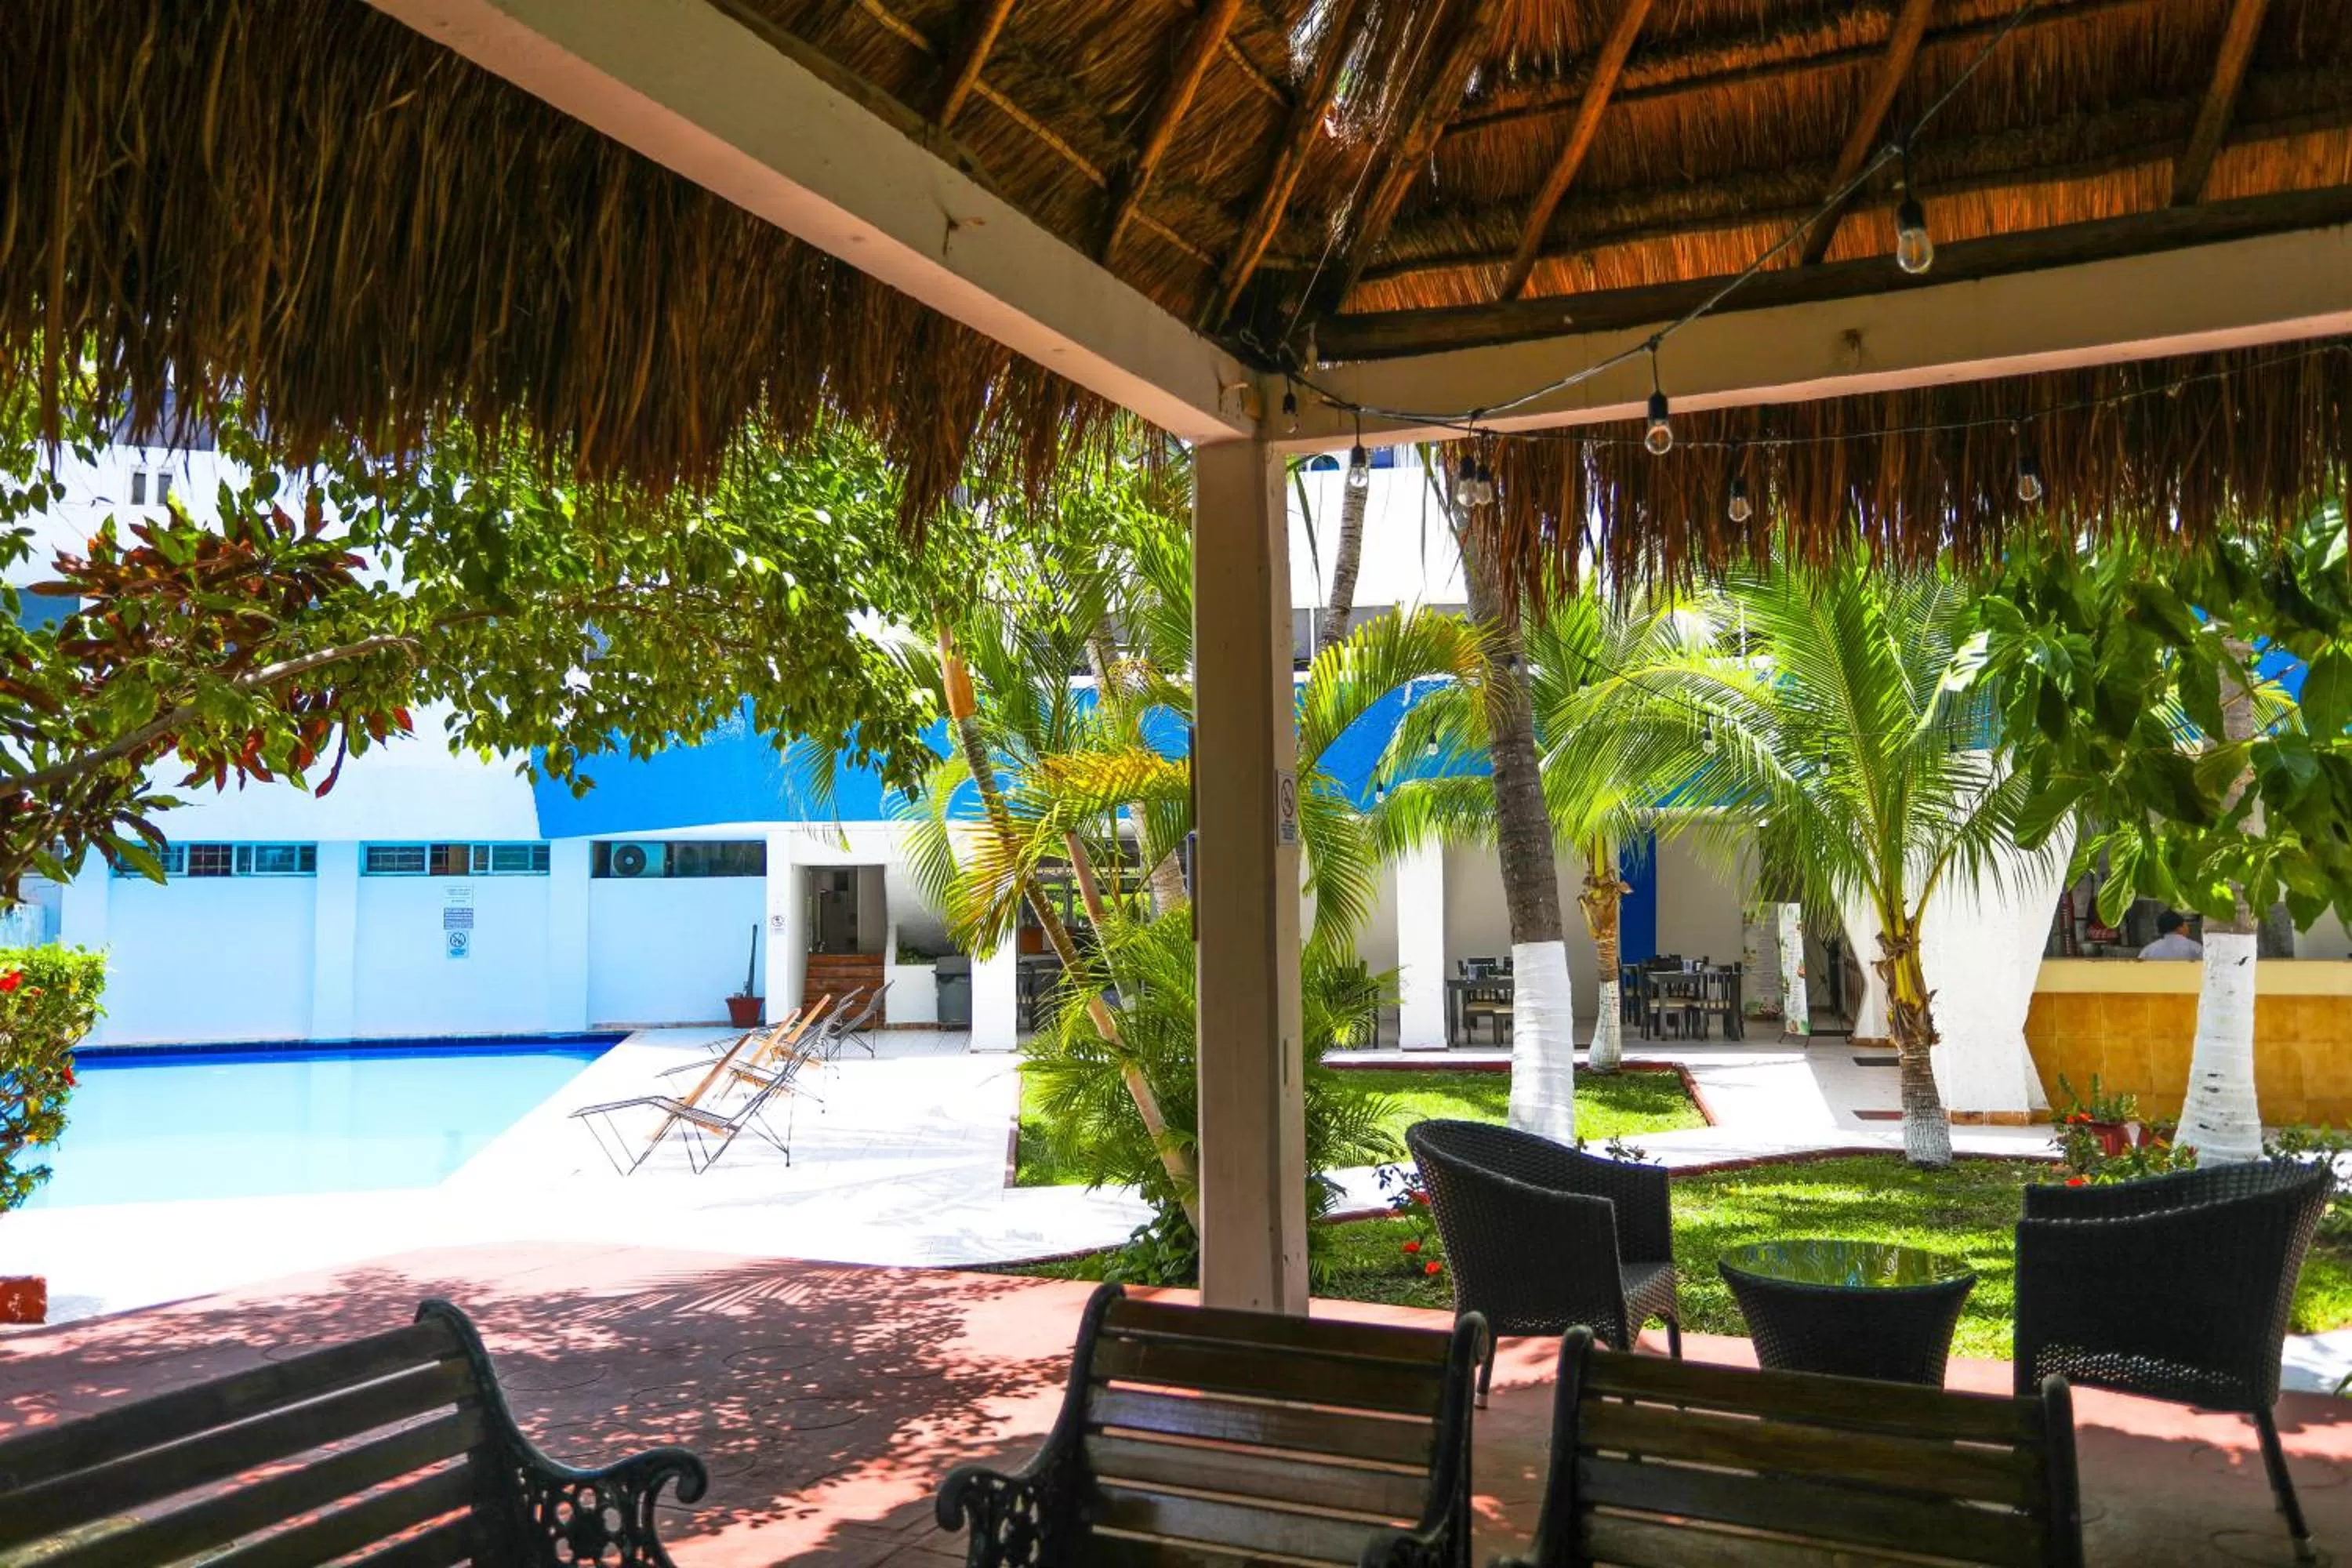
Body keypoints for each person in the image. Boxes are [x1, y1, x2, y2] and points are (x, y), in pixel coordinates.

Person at [2138, 910, 2202, 960]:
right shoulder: (2195, 948)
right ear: (2180, 928)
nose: (2188, 927)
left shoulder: (2149, 950)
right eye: (2186, 924)